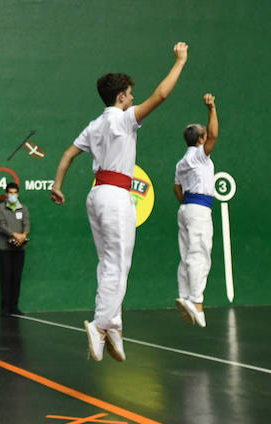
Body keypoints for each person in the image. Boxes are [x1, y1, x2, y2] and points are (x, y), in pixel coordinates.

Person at [52, 42, 188, 363]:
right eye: (129, 94)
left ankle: (113, 328)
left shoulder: (95, 125)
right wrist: (180, 61)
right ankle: (101, 325)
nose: (132, 99)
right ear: (121, 97)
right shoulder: (122, 119)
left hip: (96, 195)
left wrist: (58, 185)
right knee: (118, 264)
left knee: (108, 263)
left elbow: (69, 154)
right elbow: (161, 96)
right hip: (115, 197)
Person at [173, 94, 219, 328]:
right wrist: (211, 108)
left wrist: (187, 203)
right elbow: (214, 135)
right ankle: (197, 302)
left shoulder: (182, 161)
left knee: (187, 254)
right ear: (200, 140)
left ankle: (185, 295)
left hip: (186, 208)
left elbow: (176, 188)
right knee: (200, 254)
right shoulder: (200, 156)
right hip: (199, 209)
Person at [0, 181, 30, 317]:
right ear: (6, 194)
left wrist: (23, 236)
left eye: (15, 193)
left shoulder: (23, 209)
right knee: (6, 277)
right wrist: (15, 235)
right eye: (10, 193)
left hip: (20, 249)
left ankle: (14, 306)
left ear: (18, 194)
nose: (13, 195)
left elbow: (26, 224)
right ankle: (5, 307)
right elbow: (2, 226)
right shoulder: (0, 209)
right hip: (5, 249)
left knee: (17, 278)